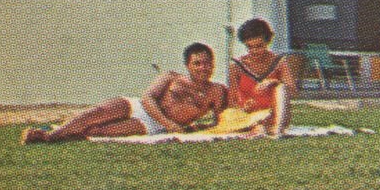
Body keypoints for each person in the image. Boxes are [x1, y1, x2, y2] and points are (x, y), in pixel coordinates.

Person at [22, 44, 227, 143]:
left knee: (99, 131)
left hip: (151, 125)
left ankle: (61, 134)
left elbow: (221, 122)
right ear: (187, 65)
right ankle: (49, 136)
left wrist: (195, 126)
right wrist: (169, 123)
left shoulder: (216, 91)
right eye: (197, 63)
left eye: (207, 63)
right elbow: (147, 98)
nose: (203, 68)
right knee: (94, 113)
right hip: (140, 107)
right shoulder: (171, 77)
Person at [226, 17, 298, 138]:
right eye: (249, 47)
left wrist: (273, 82)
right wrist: (243, 106)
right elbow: (231, 101)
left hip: (274, 115)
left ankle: (276, 131)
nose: (254, 51)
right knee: (245, 121)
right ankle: (259, 129)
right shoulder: (236, 66)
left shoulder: (279, 61)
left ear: (267, 41)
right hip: (249, 115)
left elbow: (292, 91)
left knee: (281, 88)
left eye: (259, 46)